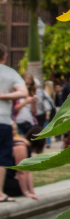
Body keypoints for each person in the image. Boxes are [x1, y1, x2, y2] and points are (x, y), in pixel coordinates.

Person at [0, 44, 28, 203]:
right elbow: (23, 92)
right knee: (2, 157)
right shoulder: (10, 73)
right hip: (3, 120)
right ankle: (0, 193)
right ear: (4, 56)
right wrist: (4, 95)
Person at [5, 124, 45, 201]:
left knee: (21, 185)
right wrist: (26, 192)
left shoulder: (25, 146)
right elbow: (21, 173)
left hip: (9, 176)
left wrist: (32, 192)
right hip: (5, 178)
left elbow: (28, 172)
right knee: (18, 188)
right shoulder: (22, 147)